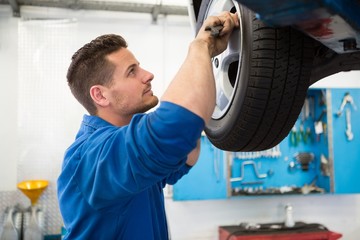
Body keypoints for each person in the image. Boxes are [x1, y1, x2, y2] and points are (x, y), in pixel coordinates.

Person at [57, 11, 239, 239]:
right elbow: (174, 128)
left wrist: (208, 55)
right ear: (100, 96)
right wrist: (200, 46)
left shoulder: (128, 155)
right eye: (131, 72)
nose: (148, 75)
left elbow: (187, 150)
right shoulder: (92, 156)